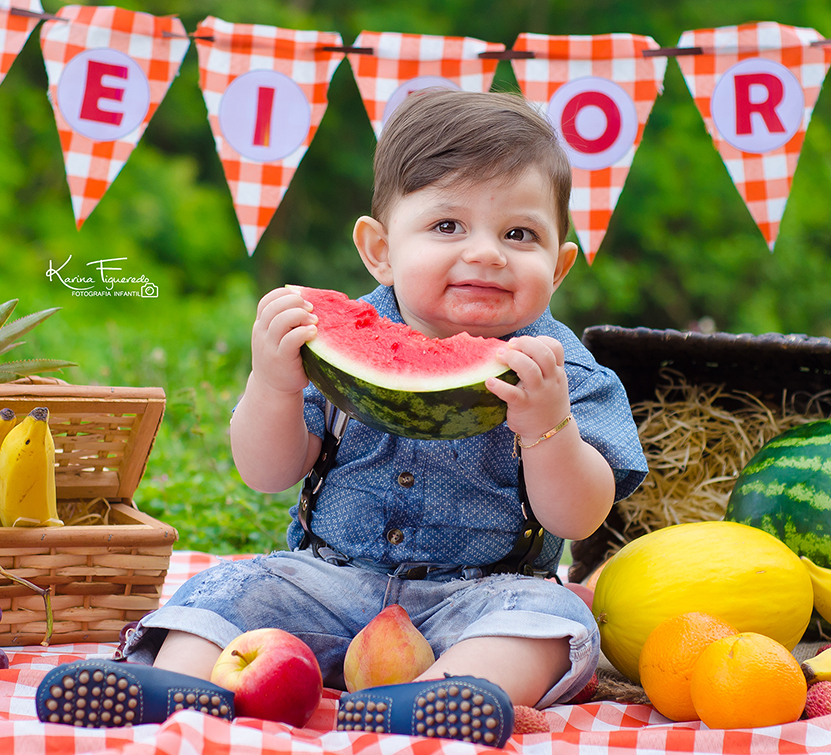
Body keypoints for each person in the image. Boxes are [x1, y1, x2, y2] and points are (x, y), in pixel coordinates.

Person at [35, 89, 647, 745]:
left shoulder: (563, 373)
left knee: (554, 618)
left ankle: (440, 694)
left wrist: (548, 429)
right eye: (447, 226)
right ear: (379, 249)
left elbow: (579, 517)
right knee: (236, 585)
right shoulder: (327, 346)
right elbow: (266, 471)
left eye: (518, 234)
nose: (487, 253)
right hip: (325, 583)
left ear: (557, 266)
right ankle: (183, 684)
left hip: (479, 598)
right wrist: (273, 383)